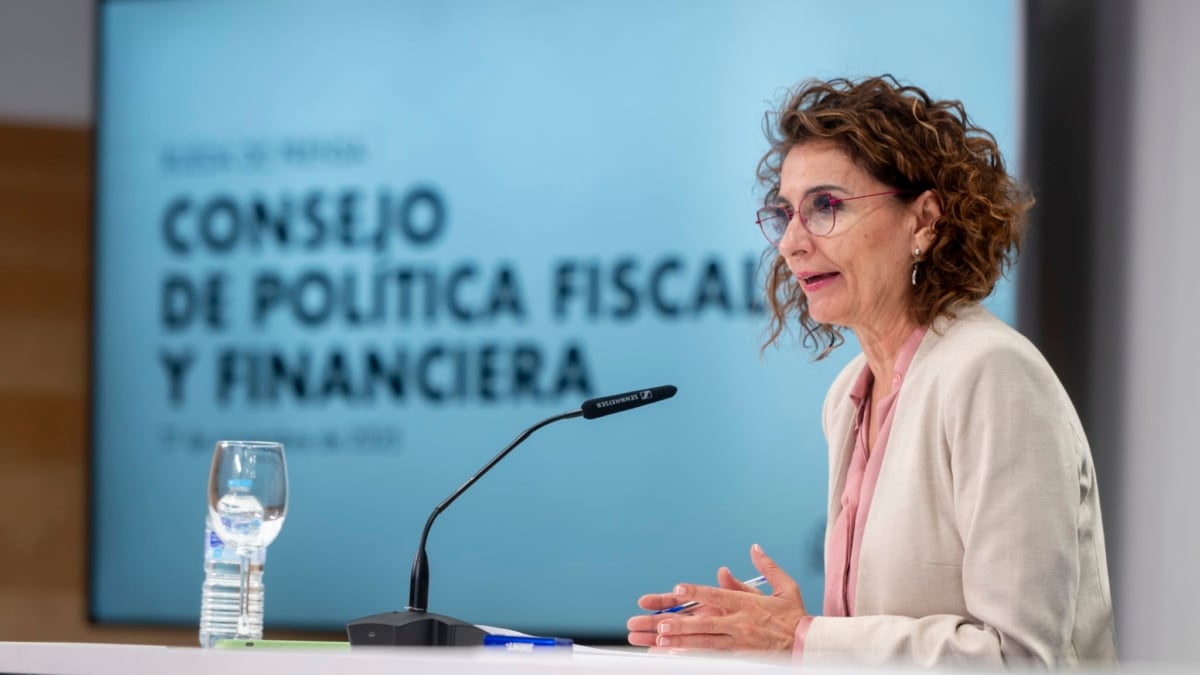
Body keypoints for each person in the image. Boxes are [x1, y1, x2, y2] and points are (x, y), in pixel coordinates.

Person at [625, 75, 1117, 667]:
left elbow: (1021, 658)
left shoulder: (993, 375)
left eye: (826, 206)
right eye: (786, 213)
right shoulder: (847, 396)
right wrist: (769, 636)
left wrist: (802, 636)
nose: (791, 243)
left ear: (924, 220)